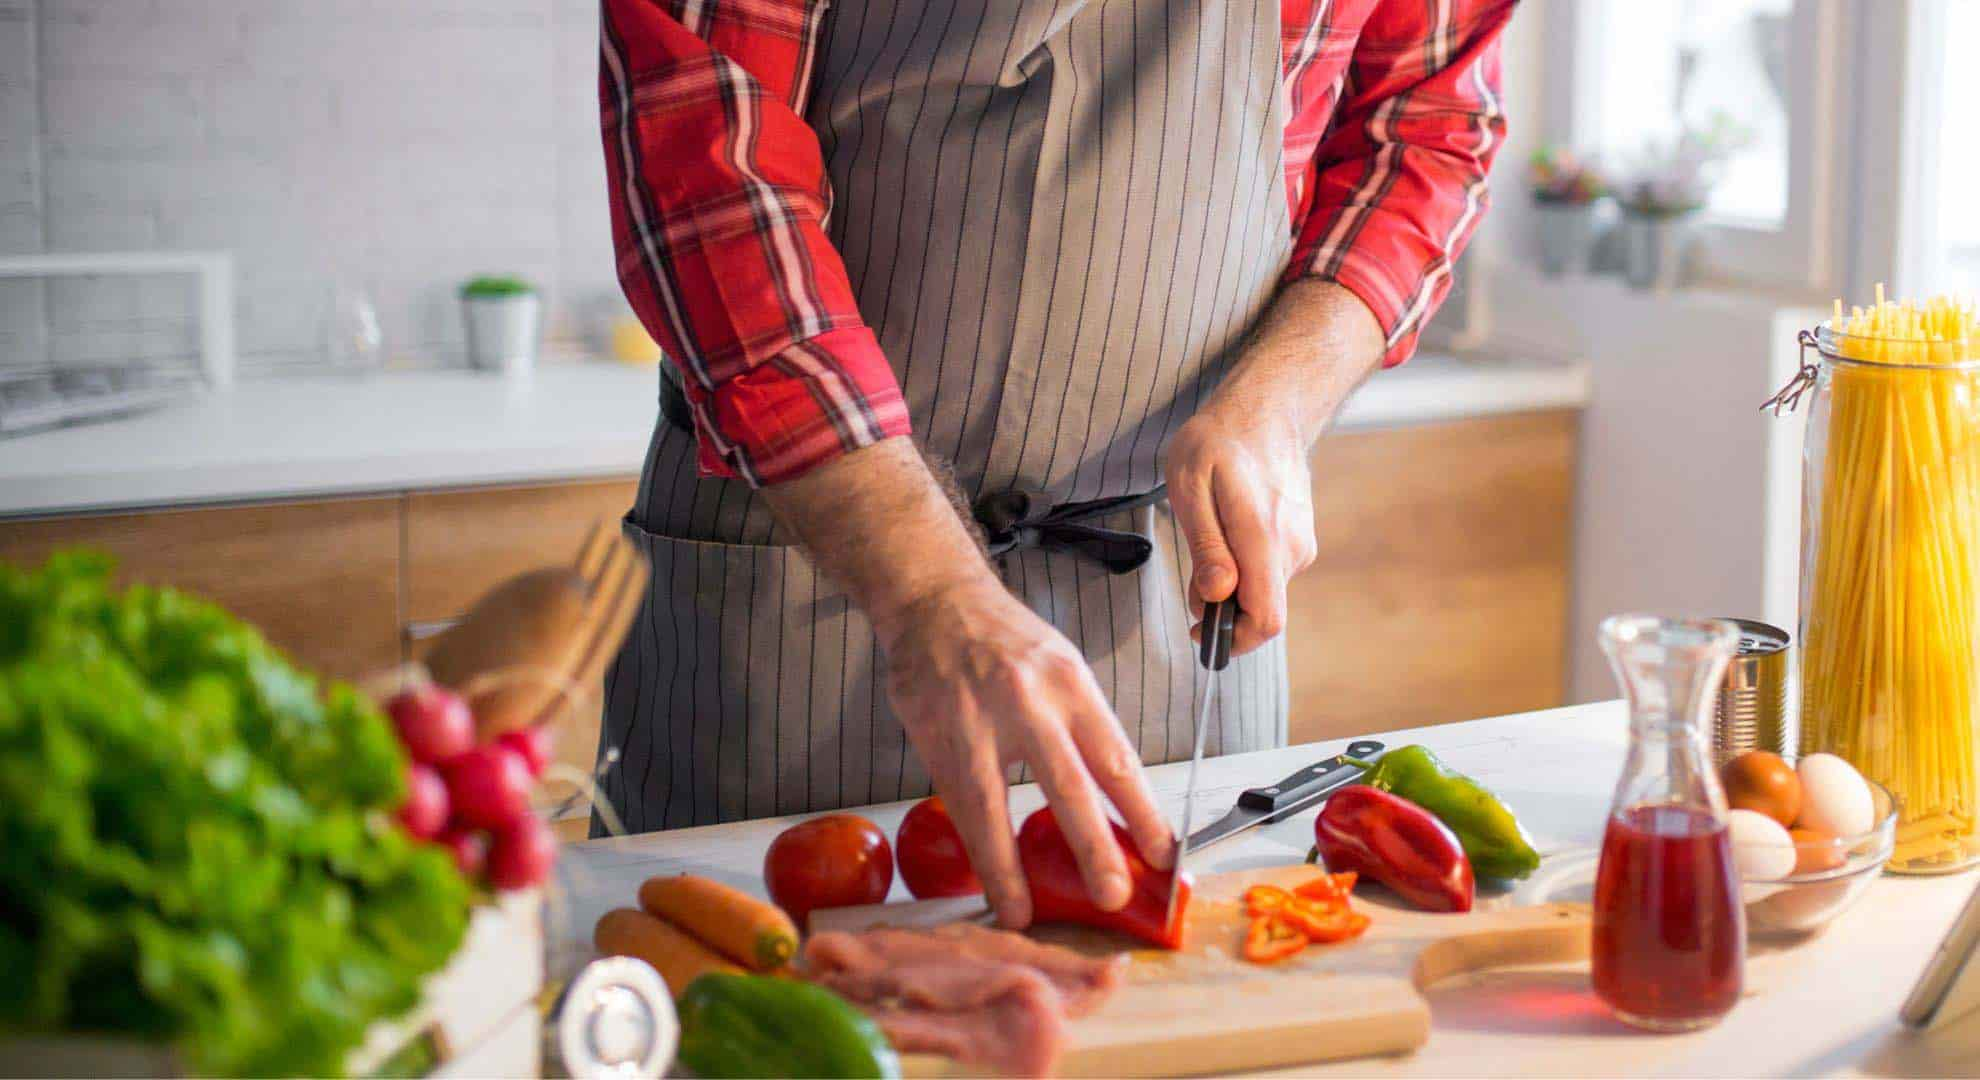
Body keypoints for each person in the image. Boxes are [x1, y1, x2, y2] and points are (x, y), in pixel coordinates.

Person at [595, 0, 1512, 927]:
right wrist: (925, 590)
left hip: (1168, 599)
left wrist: (1280, 401)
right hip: (805, 565)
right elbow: (710, 171)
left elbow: (1428, 131)